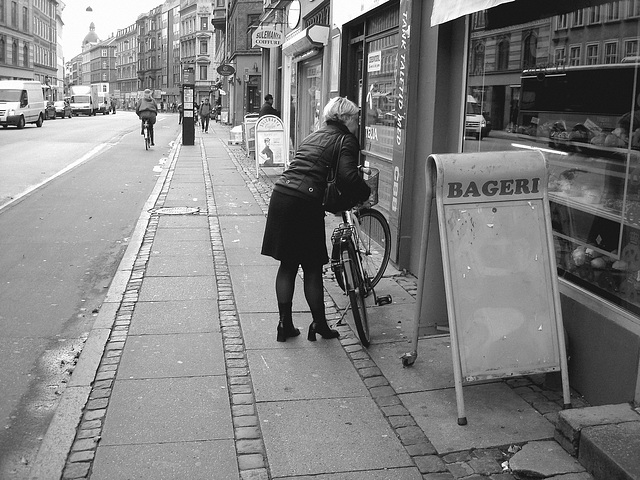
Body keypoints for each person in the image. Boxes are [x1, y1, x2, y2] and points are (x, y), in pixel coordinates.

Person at [261, 97, 371, 342]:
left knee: (288, 265)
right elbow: (347, 177)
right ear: (346, 119)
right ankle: (319, 324)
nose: (357, 123)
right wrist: (364, 194)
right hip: (304, 203)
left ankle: (284, 325)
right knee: (311, 267)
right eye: (355, 118)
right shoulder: (346, 140)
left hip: (281, 196)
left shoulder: (314, 135)